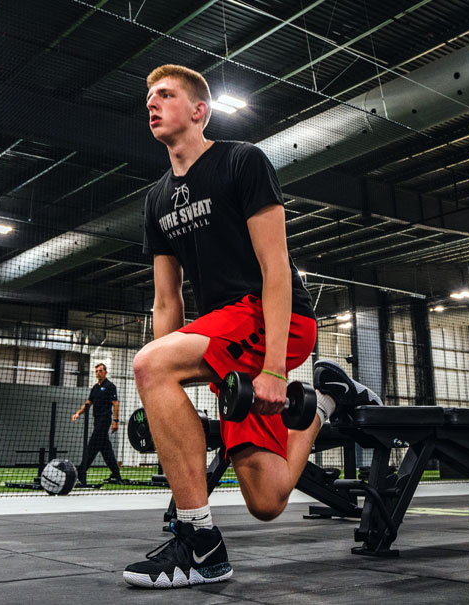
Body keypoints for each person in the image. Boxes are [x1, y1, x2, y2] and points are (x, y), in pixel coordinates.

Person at [123, 64, 380, 589]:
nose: (152, 103)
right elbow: (166, 301)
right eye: (149, 97)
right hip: (227, 333)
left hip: (269, 316)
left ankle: (201, 546)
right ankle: (328, 400)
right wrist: (164, 384)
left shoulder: (242, 161)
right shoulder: (155, 200)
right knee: (267, 499)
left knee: (150, 364)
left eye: (166, 95)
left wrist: (274, 371)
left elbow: (276, 268)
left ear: (199, 111)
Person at [71, 363, 123, 485]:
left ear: (105, 372)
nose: (98, 373)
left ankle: (80, 473)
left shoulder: (110, 386)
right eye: (96, 371)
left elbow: (115, 404)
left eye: (100, 371)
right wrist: (78, 413)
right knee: (106, 449)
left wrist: (116, 421)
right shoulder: (95, 388)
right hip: (96, 420)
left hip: (105, 420)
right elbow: (88, 403)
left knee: (92, 446)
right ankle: (116, 475)